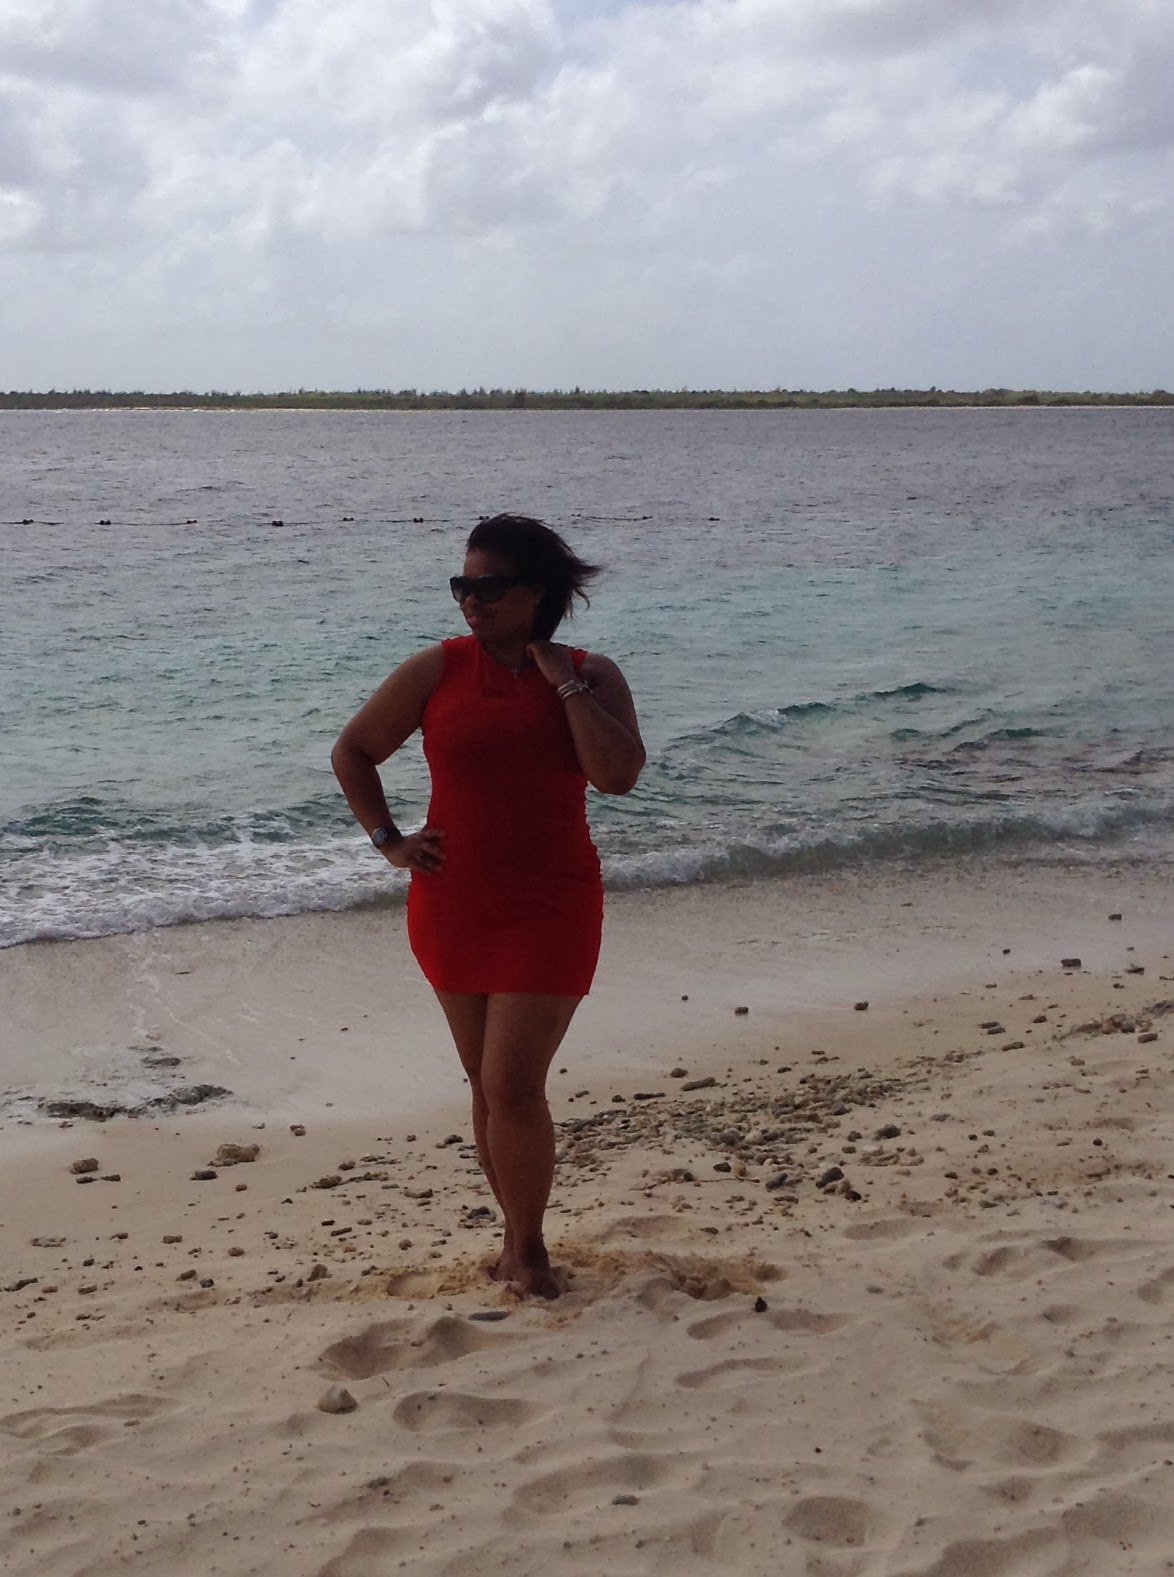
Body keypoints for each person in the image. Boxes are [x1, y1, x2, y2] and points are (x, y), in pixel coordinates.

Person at [331, 514, 645, 1298]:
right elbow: (353, 750)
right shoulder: (436, 669)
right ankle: (514, 1236)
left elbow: (616, 775)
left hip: (552, 903)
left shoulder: (592, 673)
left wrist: (562, 682)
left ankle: (529, 1252)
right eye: (462, 586)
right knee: (483, 1081)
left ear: (536, 591)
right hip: (453, 902)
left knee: (511, 1083)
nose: (472, 601)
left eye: (490, 586)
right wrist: (389, 840)